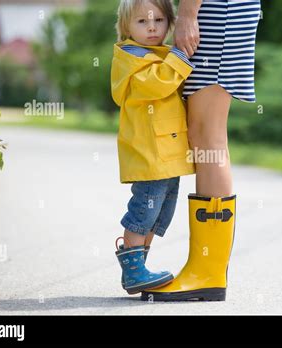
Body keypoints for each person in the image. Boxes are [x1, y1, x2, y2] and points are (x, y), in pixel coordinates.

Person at [142, 0, 261, 301]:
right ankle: (204, 269)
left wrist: (188, 14)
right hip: (219, 12)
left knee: (208, 135)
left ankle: (206, 272)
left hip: (218, 12)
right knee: (202, 134)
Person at [111, 0, 196, 295]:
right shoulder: (131, 57)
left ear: (169, 22)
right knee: (145, 208)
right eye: (142, 22)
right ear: (126, 27)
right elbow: (157, 84)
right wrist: (181, 56)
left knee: (161, 208)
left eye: (159, 21)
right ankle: (133, 270)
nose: (151, 28)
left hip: (165, 153)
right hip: (150, 153)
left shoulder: (158, 54)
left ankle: (138, 269)